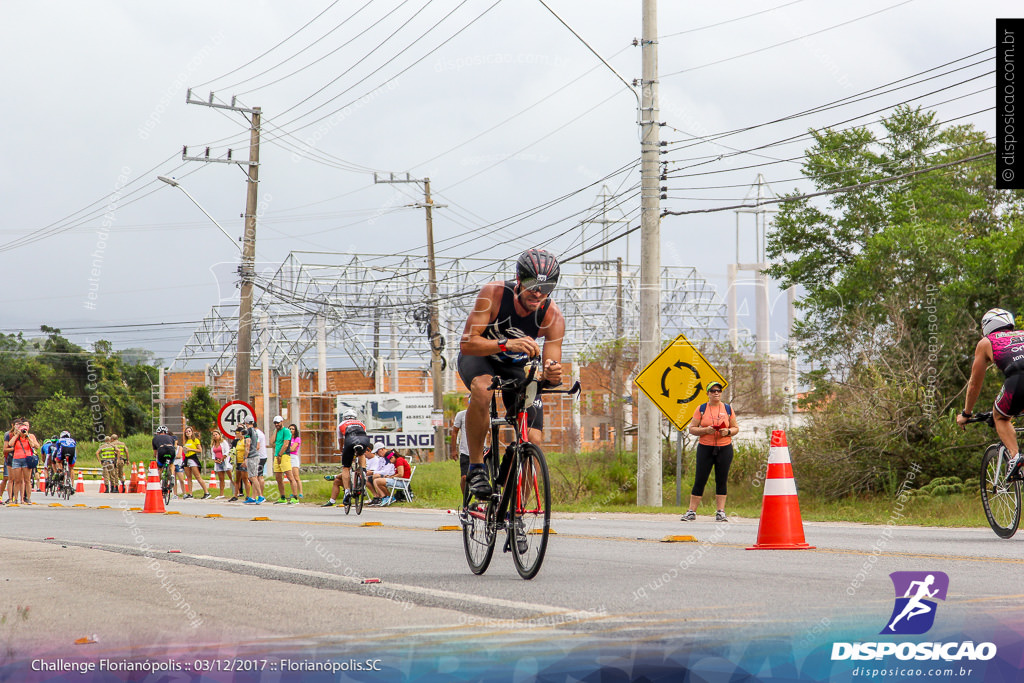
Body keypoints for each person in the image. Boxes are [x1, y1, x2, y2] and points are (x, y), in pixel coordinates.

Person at [458, 248, 565, 500]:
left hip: (512, 367)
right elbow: (467, 343)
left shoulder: (552, 316)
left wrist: (553, 373)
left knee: (534, 441)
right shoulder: (493, 294)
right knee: (483, 390)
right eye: (532, 285)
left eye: (546, 286)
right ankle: (476, 468)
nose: (538, 293)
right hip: (479, 355)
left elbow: (552, 368)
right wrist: (506, 344)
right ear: (519, 280)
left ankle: (518, 515)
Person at [956, 308, 1024, 479]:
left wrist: (966, 413)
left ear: (987, 326)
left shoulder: (986, 342)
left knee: (1000, 416)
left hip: (1018, 379)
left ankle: (1015, 457)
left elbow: (974, 384)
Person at [681, 381, 739, 522]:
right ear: (708, 393)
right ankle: (691, 511)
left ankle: (720, 512)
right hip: (705, 448)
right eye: (713, 390)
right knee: (700, 479)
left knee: (721, 479)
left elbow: (736, 428)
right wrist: (705, 430)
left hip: (724, 447)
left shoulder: (727, 408)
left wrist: (728, 431)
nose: (716, 393)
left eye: (718, 390)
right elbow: (692, 428)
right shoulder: (701, 409)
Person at [322, 409, 372, 507]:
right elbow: (363, 434)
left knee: (346, 467)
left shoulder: (341, 424)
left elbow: (340, 441)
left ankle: (347, 491)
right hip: (364, 440)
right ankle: (363, 473)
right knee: (361, 454)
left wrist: (342, 451)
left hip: (349, 441)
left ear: (344, 417)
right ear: (355, 417)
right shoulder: (361, 423)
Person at [7, 419, 39, 504]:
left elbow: (34, 445)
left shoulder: (30, 436)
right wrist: (17, 435)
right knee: (17, 480)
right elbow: (10, 444)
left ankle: (27, 498)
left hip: (27, 458)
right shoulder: (16, 437)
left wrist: (27, 436)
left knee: (27, 480)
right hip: (17, 458)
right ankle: (16, 498)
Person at [271, 415, 298, 504]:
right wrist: (275, 431)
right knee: (278, 477)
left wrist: (280, 455)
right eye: (275, 423)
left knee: (290, 476)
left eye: (278, 422)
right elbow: (272, 442)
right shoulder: (276, 431)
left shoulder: (286, 431)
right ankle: (282, 497)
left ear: (282, 422)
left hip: (284, 455)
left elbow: (286, 444)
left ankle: (295, 497)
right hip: (277, 455)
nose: (276, 424)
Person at [181, 425, 210, 499]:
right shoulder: (186, 441)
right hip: (186, 458)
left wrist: (190, 449)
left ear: (192, 432)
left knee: (197, 476)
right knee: (188, 477)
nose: (188, 433)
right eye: (186, 432)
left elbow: (200, 450)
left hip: (193, 458)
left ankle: (206, 492)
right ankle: (190, 494)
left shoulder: (195, 440)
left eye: (189, 431)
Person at [243, 418, 265, 504]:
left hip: (251, 456)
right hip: (256, 455)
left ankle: (260, 496)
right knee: (253, 476)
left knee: (253, 477)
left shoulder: (248, 431)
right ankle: (253, 497)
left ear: (246, 422)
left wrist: (245, 457)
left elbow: (248, 444)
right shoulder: (255, 431)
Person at [451, 399, 471, 494]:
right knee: (464, 477)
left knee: (483, 477)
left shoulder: (484, 414)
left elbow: (491, 431)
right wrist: (454, 450)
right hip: (465, 451)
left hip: (480, 452)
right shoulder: (462, 415)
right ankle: (465, 499)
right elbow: (454, 432)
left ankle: (481, 501)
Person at [152, 425, 178, 492]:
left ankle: (158, 483)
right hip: (171, 450)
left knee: (160, 468)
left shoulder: (155, 438)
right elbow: (174, 446)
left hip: (161, 450)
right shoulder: (171, 437)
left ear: (158, 433)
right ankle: (172, 475)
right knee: (171, 464)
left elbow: (155, 453)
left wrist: (155, 457)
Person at [210, 429, 231, 499]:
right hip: (218, 462)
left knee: (231, 477)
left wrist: (222, 459)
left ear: (219, 435)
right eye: (214, 435)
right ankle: (221, 493)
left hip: (224, 461)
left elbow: (227, 451)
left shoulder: (223, 442)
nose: (215, 436)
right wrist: (215, 460)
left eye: (216, 435)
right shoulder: (213, 444)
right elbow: (213, 454)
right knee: (221, 479)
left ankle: (237, 493)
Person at [288, 423, 304, 500]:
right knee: (291, 477)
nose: (291, 430)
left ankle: (300, 492)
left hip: (293, 457)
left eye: (292, 429)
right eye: (290, 429)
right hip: (288, 457)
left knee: (296, 476)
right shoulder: (288, 438)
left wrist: (286, 447)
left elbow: (293, 448)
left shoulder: (297, 439)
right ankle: (294, 492)